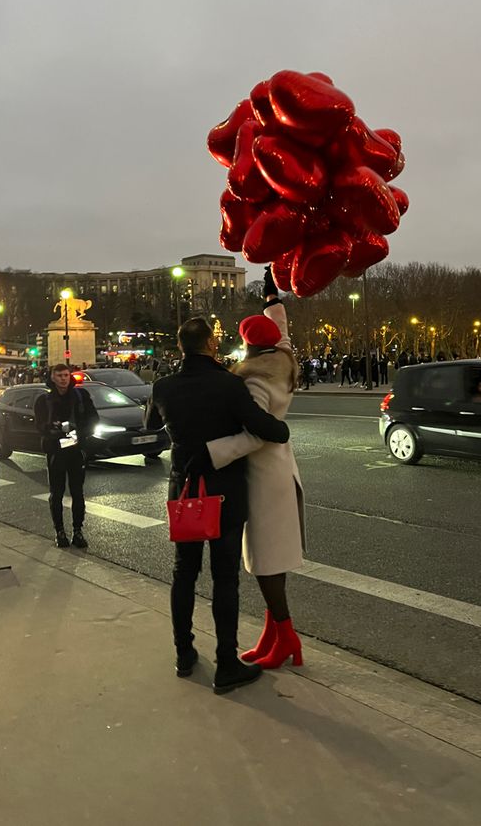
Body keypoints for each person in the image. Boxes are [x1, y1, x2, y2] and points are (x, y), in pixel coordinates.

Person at [144, 316, 290, 693]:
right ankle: (227, 661)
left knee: (184, 574)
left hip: (185, 491)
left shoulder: (163, 387)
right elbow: (268, 428)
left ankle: (184, 653)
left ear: (180, 348)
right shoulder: (229, 385)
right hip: (224, 491)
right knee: (225, 579)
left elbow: (151, 425)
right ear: (211, 344)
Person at [205, 268, 305, 671]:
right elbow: (280, 329)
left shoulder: (253, 382)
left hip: (263, 476)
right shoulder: (282, 358)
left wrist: (215, 451)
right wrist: (272, 294)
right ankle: (274, 634)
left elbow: (258, 435)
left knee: (265, 563)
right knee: (270, 561)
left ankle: (286, 636)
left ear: (246, 345)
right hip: (282, 470)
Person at [34, 363, 99, 549]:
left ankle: (78, 531)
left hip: (76, 449)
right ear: (52, 377)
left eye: (66, 375)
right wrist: (56, 432)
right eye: (59, 375)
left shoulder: (81, 396)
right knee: (57, 493)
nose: (63, 378)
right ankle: (59, 532)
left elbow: (93, 419)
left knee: (78, 493)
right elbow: (39, 426)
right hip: (55, 450)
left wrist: (78, 433)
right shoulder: (43, 400)